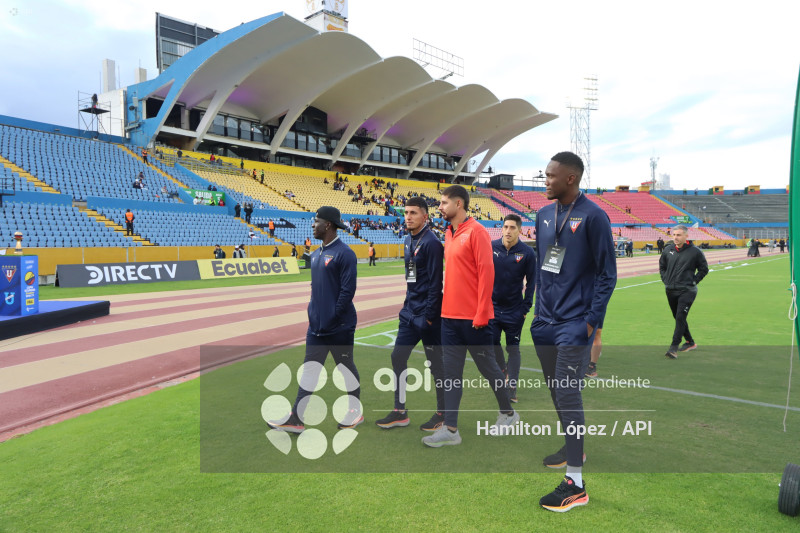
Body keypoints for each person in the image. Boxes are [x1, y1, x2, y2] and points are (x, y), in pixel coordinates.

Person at [530, 152, 616, 512]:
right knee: (557, 393)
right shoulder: (543, 214)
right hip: (544, 323)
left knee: (568, 395)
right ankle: (572, 446)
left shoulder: (594, 216)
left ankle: (576, 484)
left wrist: (590, 321)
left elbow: (607, 274)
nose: (544, 180)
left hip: (573, 324)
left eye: (550, 176)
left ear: (571, 179)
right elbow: (544, 266)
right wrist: (537, 311)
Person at [422, 185, 518, 448]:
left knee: (489, 370)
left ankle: (508, 413)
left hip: (474, 320)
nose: (439, 207)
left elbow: (487, 274)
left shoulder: (477, 232)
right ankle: (451, 430)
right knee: (451, 374)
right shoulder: (449, 232)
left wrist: (482, 312)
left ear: (459, 204)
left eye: (443, 203)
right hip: (449, 319)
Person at [267, 206, 363, 432]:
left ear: (327, 225)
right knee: (309, 370)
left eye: (316, 221)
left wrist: (332, 317)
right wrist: (313, 313)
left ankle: (354, 412)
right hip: (317, 328)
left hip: (339, 327)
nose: (312, 225)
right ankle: (297, 419)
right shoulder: (317, 254)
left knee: (345, 368)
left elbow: (347, 292)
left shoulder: (344, 253)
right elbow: (316, 290)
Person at [376, 197, 446, 431]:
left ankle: (442, 413)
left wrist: (428, 316)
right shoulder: (408, 239)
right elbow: (411, 278)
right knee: (397, 356)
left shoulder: (432, 243)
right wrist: (407, 307)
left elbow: (436, 283)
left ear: (425, 216)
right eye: (406, 212)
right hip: (409, 313)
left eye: (413, 213)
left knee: (436, 365)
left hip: (428, 316)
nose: (408, 217)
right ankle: (400, 411)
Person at [490, 214, 536, 403]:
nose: (508, 231)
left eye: (512, 228)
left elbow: (532, 282)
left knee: (513, 349)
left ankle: (512, 387)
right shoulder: (491, 247)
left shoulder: (527, 253)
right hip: (491, 308)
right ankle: (503, 369)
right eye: (505, 227)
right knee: (492, 344)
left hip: (514, 310)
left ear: (519, 230)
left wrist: (525, 307)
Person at [659, 224, 708, 359]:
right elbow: (662, 267)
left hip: (687, 290)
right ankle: (690, 342)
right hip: (670, 290)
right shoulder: (668, 250)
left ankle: (673, 348)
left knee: (680, 316)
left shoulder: (695, 251)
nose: (676, 237)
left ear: (686, 236)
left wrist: (693, 281)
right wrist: (665, 280)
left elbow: (704, 269)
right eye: (674, 235)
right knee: (679, 318)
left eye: (679, 235)